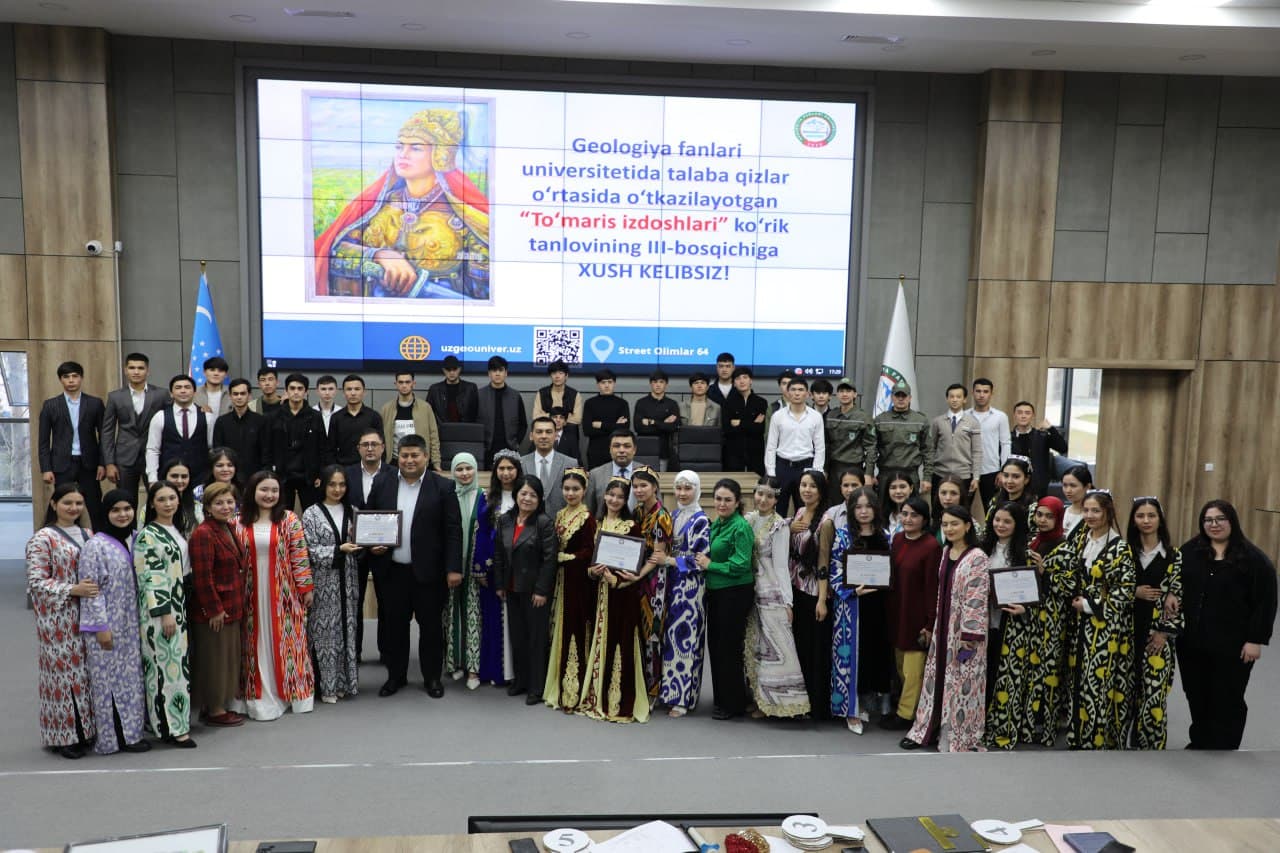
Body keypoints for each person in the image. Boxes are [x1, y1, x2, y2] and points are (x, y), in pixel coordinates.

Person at [313, 107, 489, 298]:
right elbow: (334, 247)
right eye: (399, 147)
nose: (403, 154)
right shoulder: (380, 204)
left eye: (415, 148)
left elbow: (485, 284)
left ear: (440, 155)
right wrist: (379, 254)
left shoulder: (464, 214)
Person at [366, 434, 462, 698]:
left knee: (430, 628)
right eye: (404, 455)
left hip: (430, 573)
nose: (409, 460)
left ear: (425, 457)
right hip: (393, 571)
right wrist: (370, 545)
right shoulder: (383, 482)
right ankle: (396, 677)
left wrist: (453, 568)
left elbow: (453, 531)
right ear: (398, 457)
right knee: (395, 627)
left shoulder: (443, 487)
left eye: (414, 455)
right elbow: (370, 519)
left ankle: (432, 678)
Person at [1177, 500, 1277, 750]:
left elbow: (1265, 602)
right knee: (1196, 692)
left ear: (1232, 521)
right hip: (1192, 640)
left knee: (1228, 695)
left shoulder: (1253, 559)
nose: (1214, 524)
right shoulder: (1190, 552)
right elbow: (1173, 581)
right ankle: (1200, 739)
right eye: (1208, 520)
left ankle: (1226, 743)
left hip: (1233, 644)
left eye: (1220, 519)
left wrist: (1256, 639)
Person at [1046, 490, 1135, 750]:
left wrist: (1089, 605)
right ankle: (1077, 735)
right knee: (1077, 678)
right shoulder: (1081, 539)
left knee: (1097, 681)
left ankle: (1095, 738)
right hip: (1078, 626)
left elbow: (1125, 591)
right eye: (1086, 511)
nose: (1090, 516)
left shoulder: (1120, 547)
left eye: (1096, 511)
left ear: (1108, 512)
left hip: (1104, 627)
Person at [902, 505, 989, 752]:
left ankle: (959, 735)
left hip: (965, 635)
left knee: (962, 684)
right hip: (944, 629)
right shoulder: (945, 552)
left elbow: (977, 598)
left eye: (955, 524)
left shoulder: (977, 557)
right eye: (945, 524)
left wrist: (969, 637)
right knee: (938, 679)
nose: (949, 529)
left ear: (968, 526)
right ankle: (926, 730)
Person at [232, 471, 315, 720]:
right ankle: (255, 697)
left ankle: (290, 693)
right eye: (264, 490)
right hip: (248, 593)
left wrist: (305, 588)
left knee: (287, 642)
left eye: (274, 491)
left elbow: (299, 557)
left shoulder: (289, 519)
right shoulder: (237, 521)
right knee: (251, 643)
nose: (269, 495)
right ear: (252, 491)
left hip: (284, 594)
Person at [77, 489, 151, 754]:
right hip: (106, 628)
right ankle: (112, 738)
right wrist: (101, 627)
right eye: (116, 510)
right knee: (107, 684)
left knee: (130, 681)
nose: (123, 515)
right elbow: (91, 589)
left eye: (127, 509)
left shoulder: (137, 539)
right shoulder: (95, 546)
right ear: (106, 513)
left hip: (132, 627)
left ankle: (132, 735)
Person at [26, 485, 98, 758]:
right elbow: (36, 582)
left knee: (84, 676)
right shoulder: (42, 538)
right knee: (62, 677)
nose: (74, 508)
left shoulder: (88, 534)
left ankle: (85, 731)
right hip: (57, 619)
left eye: (79, 503)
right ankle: (64, 737)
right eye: (68, 502)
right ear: (54, 504)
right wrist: (72, 589)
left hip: (87, 615)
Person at [578, 477, 648, 723]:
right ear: (604, 496)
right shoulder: (594, 524)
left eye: (620, 496)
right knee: (599, 639)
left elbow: (635, 570)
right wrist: (593, 571)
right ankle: (595, 695)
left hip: (622, 596)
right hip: (598, 595)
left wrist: (617, 579)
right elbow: (587, 561)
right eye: (611, 495)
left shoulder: (632, 527)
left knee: (621, 641)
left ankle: (618, 701)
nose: (615, 500)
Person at [133, 481, 196, 747]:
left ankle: (172, 720)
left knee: (175, 668)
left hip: (178, 606)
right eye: (161, 499)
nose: (168, 503)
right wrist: (165, 612)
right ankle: (171, 728)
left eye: (172, 498)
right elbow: (151, 576)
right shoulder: (149, 535)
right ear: (152, 504)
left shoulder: (176, 529)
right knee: (165, 668)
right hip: (161, 612)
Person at [745, 477, 810, 719]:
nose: (763, 499)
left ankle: (778, 703)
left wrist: (787, 601)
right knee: (754, 645)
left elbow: (782, 566)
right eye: (760, 494)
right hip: (748, 587)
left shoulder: (779, 526)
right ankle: (759, 698)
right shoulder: (748, 520)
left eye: (769, 496)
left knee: (773, 647)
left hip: (770, 591)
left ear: (776, 500)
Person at [826, 486, 889, 734]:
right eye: (858, 507)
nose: (863, 512)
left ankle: (870, 703)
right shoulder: (843, 536)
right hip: (851, 607)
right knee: (851, 658)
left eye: (868, 506)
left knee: (875, 654)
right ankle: (850, 711)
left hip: (880, 606)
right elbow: (834, 571)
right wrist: (852, 591)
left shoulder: (887, 536)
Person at [492, 475, 557, 705]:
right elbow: (499, 554)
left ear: (539, 499)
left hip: (534, 592)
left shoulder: (544, 523)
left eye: (532, 495)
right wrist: (499, 584)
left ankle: (536, 687)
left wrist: (541, 590)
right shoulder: (505, 520)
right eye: (523, 493)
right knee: (517, 638)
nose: (527, 498)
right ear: (516, 495)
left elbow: (549, 561)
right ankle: (520, 680)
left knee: (536, 640)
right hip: (511, 588)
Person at [188, 481, 248, 728]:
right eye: (219, 503)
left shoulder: (228, 528)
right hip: (214, 612)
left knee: (226, 659)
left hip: (232, 606)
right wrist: (214, 610)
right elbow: (203, 577)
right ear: (208, 507)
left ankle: (217, 705)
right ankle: (214, 710)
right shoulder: (204, 533)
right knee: (214, 660)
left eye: (229, 502)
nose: (225, 507)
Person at [1126, 496, 1183, 750]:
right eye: (1140, 516)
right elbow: (1108, 587)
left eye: (1151, 515)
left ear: (1160, 519)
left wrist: (1164, 632)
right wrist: (1132, 591)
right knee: (1126, 691)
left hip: (1156, 635)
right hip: (1125, 632)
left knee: (1154, 693)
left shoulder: (1174, 556)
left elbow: (1181, 596)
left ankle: (1151, 746)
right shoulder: (1124, 551)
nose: (1146, 521)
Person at [301, 466, 362, 704]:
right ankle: (325, 686)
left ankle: (344, 684)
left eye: (342, 485)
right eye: (332, 484)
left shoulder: (354, 511)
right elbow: (309, 549)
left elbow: (361, 542)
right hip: (323, 582)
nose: (337, 489)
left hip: (348, 580)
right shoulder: (311, 514)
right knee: (324, 633)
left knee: (347, 631)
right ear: (323, 485)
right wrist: (339, 550)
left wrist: (368, 547)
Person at [982, 502, 1038, 748]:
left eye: (1007, 522)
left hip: (1011, 625)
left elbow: (1038, 595)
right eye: (997, 520)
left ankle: (1002, 726)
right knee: (983, 674)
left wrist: (1025, 608)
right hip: (983, 621)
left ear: (1017, 525)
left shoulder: (1026, 554)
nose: (1000, 526)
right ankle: (979, 723)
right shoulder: (981, 549)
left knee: (1003, 677)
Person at [698, 478, 755, 720]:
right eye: (718, 499)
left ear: (737, 502)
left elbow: (741, 564)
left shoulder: (740, 526)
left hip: (734, 592)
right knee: (717, 647)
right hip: (717, 592)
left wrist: (711, 565)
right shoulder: (718, 523)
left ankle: (733, 703)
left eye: (727, 500)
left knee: (729, 649)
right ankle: (722, 698)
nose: (722, 503)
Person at [882, 496, 941, 731]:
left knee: (913, 670)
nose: (908, 519)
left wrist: (929, 623)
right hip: (897, 613)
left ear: (924, 519)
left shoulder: (931, 546)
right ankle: (904, 708)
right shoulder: (897, 539)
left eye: (914, 515)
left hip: (916, 617)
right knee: (900, 668)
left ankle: (906, 715)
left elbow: (932, 588)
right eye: (904, 514)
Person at [543, 468, 598, 710]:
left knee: (574, 628)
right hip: (560, 581)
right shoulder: (560, 514)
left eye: (576, 489)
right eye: (567, 489)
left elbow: (590, 551)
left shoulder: (588, 518)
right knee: (557, 628)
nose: (571, 493)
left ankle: (574, 691)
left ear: (584, 491)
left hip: (578, 583)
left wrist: (568, 557)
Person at [658, 470, 711, 717]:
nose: (682, 493)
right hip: (672, 586)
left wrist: (670, 561)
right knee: (670, 638)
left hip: (691, 590)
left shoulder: (701, 520)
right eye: (679, 488)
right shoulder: (675, 514)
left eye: (688, 488)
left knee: (686, 641)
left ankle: (683, 698)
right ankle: (669, 692)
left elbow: (700, 560)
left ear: (697, 490)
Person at [39, 361, 107, 529]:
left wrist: (102, 463)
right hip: (62, 464)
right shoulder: (50, 405)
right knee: (65, 506)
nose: (71, 380)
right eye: (66, 377)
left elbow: (104, 436)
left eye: (75, 376)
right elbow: (43, 440)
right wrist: (46, 468)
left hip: (89, 464)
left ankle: (100, 542)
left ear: (81, 378)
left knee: (94, 505)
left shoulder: (95, 403)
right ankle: (64, 540)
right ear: (60, 380)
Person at [474, 450, 522, 686]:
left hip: (519, 569)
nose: (505, 473)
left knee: (518, 621)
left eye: (510, 468)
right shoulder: (487, 497)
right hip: (493, 569)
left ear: (518, 471)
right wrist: (480, 567)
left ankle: (517, 673)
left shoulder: (525, 495)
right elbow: (482, 534)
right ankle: (496, 671)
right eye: (501, 469)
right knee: (493, 619)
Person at [1025, 495, 1070, 745]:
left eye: (1049, 516)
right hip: (1031, 618)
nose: (1043, 520)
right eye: (1039, 515)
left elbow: (1069, 586)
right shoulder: (1033, 542)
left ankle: (1049, 722)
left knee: (1049, 669)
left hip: (1053, 620)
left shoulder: (1063, 546)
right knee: (1032, 670)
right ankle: (1031, 720)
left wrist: (1045, 572)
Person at [790, 469, 833, 720]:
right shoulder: (797, 513)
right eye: (803, 485)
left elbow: (824, 561)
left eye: (812, 486)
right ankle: (801, 702)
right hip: (796, 589)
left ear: (821, 491)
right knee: (801, 647)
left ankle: (818, 706)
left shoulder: (825, 521)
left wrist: (821, 599)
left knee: (817, 651)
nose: (806, 490)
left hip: (814, 592)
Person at [346, 429, 392, 662]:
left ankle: (386, 651)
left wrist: (380, 541)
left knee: (386, 602)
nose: (370, 448)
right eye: (366, 444)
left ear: (383, 447)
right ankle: (355, 652)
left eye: (375, 444)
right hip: (354, 549)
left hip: (385, 550)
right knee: (355, 602)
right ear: (359, 448)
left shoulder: (395, 474)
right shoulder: (347, 474)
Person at [102, 353, 169, 499]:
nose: (136, 372)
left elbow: (172, 420)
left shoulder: (161, 394)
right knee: (126, 500)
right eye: (132, 368)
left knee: (157, 498)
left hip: (154, 455)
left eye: (140, 368)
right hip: (124, 459)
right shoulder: (115, 397)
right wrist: (109, 463)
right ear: (126, 370)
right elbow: (107, 431)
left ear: (148, 371)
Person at [632, 466, 673, 700]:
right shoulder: (637, 511)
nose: (639, 490)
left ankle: (654, 690)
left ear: (655, 487)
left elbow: (658, 557)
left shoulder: (662, 516)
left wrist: (638, 575)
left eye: (643, 485)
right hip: (638, 576)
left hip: (655, 581)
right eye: (635, 486)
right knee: (640, 630)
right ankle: (641, 683)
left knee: (653, 634)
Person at [445, 452, 484, 688]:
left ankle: (473, 669)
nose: (464, 474)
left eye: (468, 469)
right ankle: (455, 664)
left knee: (473, 615)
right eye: (459, 469)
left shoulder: (485, 497)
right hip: (452, 565)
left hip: (475, 567)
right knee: (451, 615)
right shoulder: (447, 495)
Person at [765, 376, 826, 517]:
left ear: (807, 394)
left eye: (800, 390)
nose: (797, 393)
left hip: (805, 467)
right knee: (778, 509)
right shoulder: (778, 416)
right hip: (782, 466)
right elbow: (771, 446)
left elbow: (820, 447)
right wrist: (771, 472)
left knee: (805, 508)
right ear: (787, 392)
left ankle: (803, 539)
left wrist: (816, 471)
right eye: (793, 389)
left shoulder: (815, 416)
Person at [268, 373, 329, 511]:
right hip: (282, 475)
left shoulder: (315, 416)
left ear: (306, 392)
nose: (296, 392)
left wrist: (321, 473)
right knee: (282, 516)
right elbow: (268, 447)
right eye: (292, 388)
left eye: (300, 388)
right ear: (286, 391)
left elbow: (322, 447)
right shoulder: (274, 417)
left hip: (309, 476)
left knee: (312, 515)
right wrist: (269, 472)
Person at [146, 374, 213, 487]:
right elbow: (153, 450)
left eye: (187, 387)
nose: (183, 391)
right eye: (178, 388)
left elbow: (212, 448)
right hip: (169, 479)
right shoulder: (160, 417)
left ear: (194, 392)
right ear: (171, 393)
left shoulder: (207, 417)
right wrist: (152, 479)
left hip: (201, 479)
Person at [928, 384, 982, 513]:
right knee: (937, 510)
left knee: (962, 511)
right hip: (940, 473)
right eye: (951, 396)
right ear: (947, 399)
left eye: (958, 396)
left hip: (963, 474)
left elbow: (977, 451)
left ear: (964, 399)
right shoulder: (938, 422)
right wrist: (928, 474)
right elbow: (931, 449)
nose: (954, 399)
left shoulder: (973, 422)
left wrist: (976, 476)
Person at [873, 379, 932, 495]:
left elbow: (928, 451)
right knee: (884, 511)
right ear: (891, 397)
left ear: (910, 398)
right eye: (897, 395)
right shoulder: (880, 420)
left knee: (911, 510)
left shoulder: (920, 421)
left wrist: (927, 477)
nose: (900, 399)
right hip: (886, 474)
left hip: (910, 474)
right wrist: (869, 474)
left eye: (904, 396)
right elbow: (872, 449)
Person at [380, 371, 443, 468]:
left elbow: (434, 437)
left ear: (413, 383)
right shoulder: (386, 409)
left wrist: (436, 463)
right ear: (396, 384)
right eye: (401, 382)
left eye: (407, 382)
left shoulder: (425, 408)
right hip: (394, 462)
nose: (404, 385)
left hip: (419, 462)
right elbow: (380, 439)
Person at [825, 378, 876, 493]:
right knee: (833, 504)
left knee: (854, 502)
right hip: (834, 468)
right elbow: (826, 445)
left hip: (854, 467)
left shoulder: (863, 417)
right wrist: (825, 470)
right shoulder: (831, 415)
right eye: (841, 391)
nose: (844, 394)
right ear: (837, 395)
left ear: (855, 394)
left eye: (848, 391)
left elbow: (871, 448)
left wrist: (868, 473)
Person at [1010, 401, 1068, 499]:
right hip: (1014, 483)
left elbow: (1063, 448)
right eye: (1020, 413)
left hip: (1037, 485)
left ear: (1033, 416)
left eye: (1027, 413)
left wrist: (1051, 429)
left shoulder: (1042, 436)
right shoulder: (1007, 437)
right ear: (1014, 415)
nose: (1023, 416)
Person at [213, 378, 271, 477]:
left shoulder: (261, 421)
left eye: (243, 393)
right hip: (229, 476)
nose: (239, 397)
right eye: (235, 394)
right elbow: (217, 452)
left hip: (254, 476)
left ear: (249, 396)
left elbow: (266, 452)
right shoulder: (221, 422)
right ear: (230, 396)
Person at [477, 356, 528, 467]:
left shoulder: (515, 395)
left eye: (500, 370)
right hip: (486, 450)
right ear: (489, 374)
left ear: (506, 373)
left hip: (510, 448)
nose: (497, 373)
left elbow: (523, 424)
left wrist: (516, 443)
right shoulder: (479, 395)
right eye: (494, 370)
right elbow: (473, 422)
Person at [966, 378, 1010, 508]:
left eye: (985, 391)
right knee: (963, 509)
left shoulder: (1000, 416)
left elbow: (1005, 444)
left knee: (992, 510)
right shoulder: (964, 415)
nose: (981, 395)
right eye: (978, 391)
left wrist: (1004, 471)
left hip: (992, 470)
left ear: (991, 394)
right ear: (972, 393)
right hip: (967, 469)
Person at [522, 416, 576, 518]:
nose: (544, 436)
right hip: (528, 524)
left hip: (561, 525)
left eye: (548, 432)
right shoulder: (521, 463)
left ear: (556, 436)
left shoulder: (571, 463)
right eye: (539, 432)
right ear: (531, 436)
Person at [329, 374, 384, 467]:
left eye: (357, 389)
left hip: (369, 467)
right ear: (343, 392)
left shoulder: (374, 416)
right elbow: (330, 449)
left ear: (364, 392)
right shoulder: (336, 418)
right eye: (349, 389)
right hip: (343, 469)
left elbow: (381, 447)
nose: (353, 393)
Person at [721, 366, 768, 476]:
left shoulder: (761, 402)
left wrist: (740, 423)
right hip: (733, 453)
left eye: (745, 377)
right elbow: (727, 429)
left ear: (751, 380)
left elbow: (760, 429)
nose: (742, 381)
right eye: (738, 378)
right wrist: (751, 423)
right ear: (733, 383)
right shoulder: (728, 403)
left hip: (755, 452)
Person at [582, 369, 631, 469]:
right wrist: (615, 425)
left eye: (610, 382)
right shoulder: (590, 403)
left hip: (617, 451)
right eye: (603, 382)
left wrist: (600, 425)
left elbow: (624, 429)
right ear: (598, 384)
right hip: (595, 451)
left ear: (614, 383)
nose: (607, 385)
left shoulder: (622, 403)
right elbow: (587, 430)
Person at [633, 368, 681, 471]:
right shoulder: (641, 403)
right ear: (651, 384)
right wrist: (663, 424)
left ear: (666, 384)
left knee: (661, 481)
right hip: (644, 451)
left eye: (661, 382)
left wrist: (652, 422)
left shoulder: (672, 404)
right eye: (655, 382)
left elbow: (674, 427)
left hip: (663, 452)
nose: (658, 385)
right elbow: (638, 428)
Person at [585, 429, 638, 517]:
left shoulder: (646, 472)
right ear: (610, 449)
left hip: (639, 529)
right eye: (617, 446)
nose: (621, 450)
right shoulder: (595, 474)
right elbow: (589, 512)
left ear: (634, 449)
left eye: (627, 446)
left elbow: (656, 509)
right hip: (604, 529)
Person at [425, 356, 480, 424]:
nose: (451, 372)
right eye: (448, 369)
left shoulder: (470, 388)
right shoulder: (435, 390)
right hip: (442, 431)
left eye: (454, 369)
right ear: (444, 370)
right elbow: (428, 414)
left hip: (465, 430)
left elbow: (476, 413)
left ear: (459, 369)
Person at [986, 456, 1037, 527]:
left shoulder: (1033, 507)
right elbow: (988, 528)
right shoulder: (995, 501)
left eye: (1016, 477)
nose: (1009, 481)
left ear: (1026, 479)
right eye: (1006, 475)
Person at [193, 447, 240, 523]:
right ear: (211, 468)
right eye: (220, 465)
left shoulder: (243, 491)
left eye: (230, 465)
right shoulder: (199, 492)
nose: (225, 469)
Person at [532, 359, 585, 425]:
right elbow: (535, 417)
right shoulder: (541, 393)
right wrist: (567, 416)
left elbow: (577, 419)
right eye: (554, 373)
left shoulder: (575, 394)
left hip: (568, 432)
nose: (557, 376)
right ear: (550, 376)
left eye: (560, 373)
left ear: (566, 376)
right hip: (546, 431)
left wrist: (546, 415)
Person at [161, 459, 198, 538]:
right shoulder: (154, 506)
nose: (179, 480)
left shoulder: (198, 507)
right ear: (165, 476)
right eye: (174, 476)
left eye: (184, 477)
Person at [1060, 464, 1093, 540]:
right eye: (1065, 485)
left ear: (1087, 487)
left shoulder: (1092, 516)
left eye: (1073, 486)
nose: (1068, 490)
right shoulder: (1061, 511)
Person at [933, 476, 968, 545]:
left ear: (961, 496)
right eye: (943, 493)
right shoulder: (936, 521)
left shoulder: (971, 524)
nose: (948, 498)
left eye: (953, 493)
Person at [883, 471, 915, 537]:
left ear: (911, 488)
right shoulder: (884, 515)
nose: (898, 491)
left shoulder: (917, 515)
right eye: (893, 488)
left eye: (902, 487)